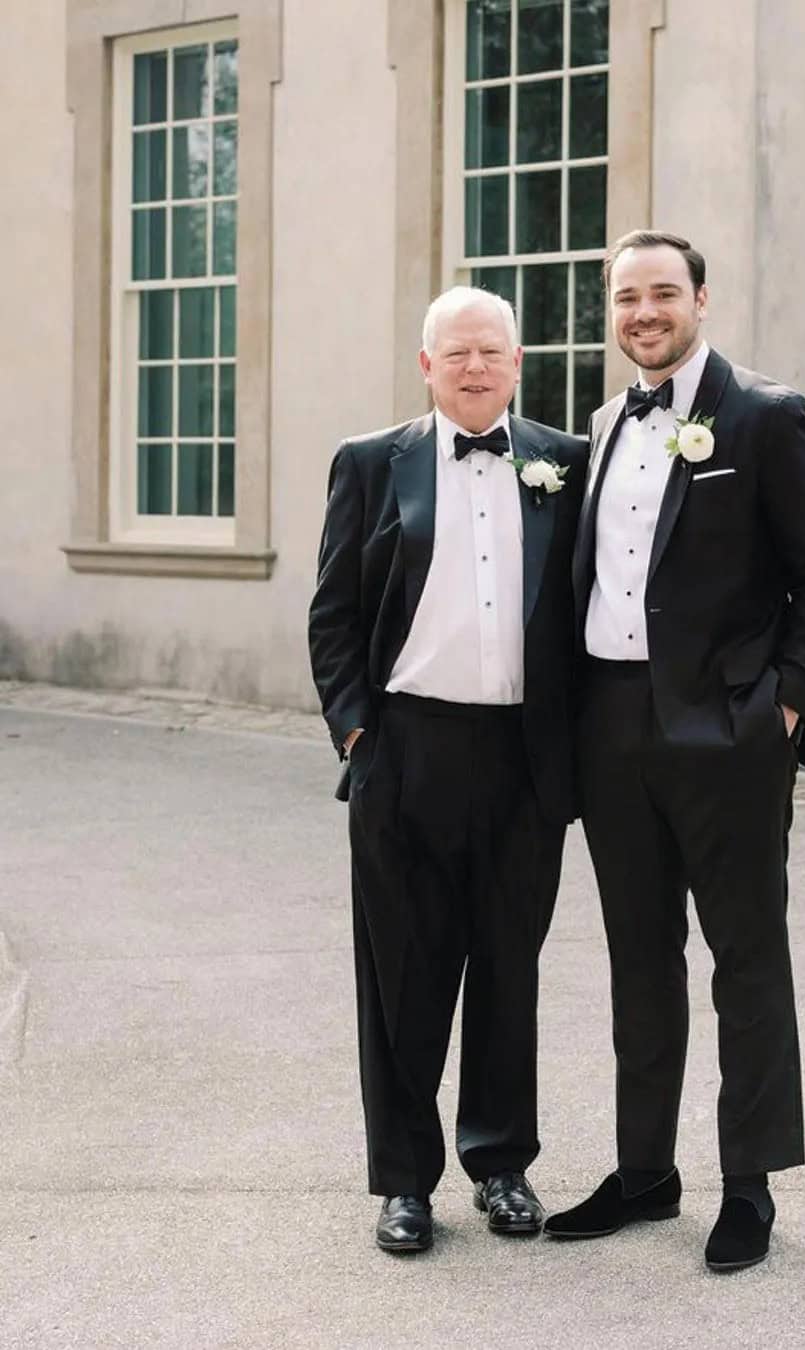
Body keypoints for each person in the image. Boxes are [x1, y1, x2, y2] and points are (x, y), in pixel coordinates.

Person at [544, 231, 805, 1270]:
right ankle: (644, 1175)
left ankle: (749, 1184)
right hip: (611, 725)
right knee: (639, 962)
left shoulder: (765, 416)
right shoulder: (601, 422)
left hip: (727, 733)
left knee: (747, 960)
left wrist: (787, 711)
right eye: (627, 296)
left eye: (662, 293)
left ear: (701, 300)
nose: (644, 312)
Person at [308, 287, 586, 1254]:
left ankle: (502, 1165)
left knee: (509, 970)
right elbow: (334, 615)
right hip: (404, 753)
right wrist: (356, 736)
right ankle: (404, 1183)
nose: (475, 368)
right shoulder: (369, 465)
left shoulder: (566, 464)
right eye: (456, 353)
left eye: (492, 352)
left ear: (519, 364)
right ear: (426, 366)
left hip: (523, 761)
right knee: (404, 978)